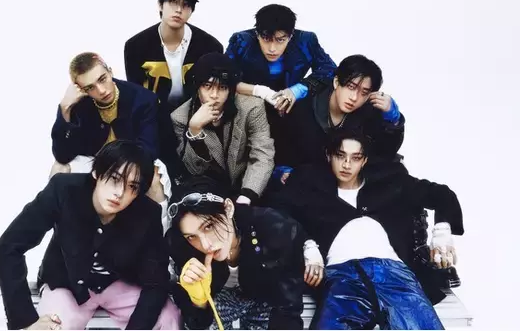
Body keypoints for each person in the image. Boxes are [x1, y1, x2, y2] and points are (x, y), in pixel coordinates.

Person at [267, 130, 464, 330]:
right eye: (340, 156)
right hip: (341, 276)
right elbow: (277, 211)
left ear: (364, 160)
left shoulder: (389, 181)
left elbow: (442, 194)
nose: (346, 165)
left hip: (394, 274)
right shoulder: (309, 185)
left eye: (355, 158)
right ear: (329, 155)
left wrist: (442, 232)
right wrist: (307, 245)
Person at [0, 140, 180, 330]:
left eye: (132, 186)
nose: (119, 193)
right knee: (52, 327)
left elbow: (156, 282)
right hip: (66, 284)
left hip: (118, 283)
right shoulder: (63, 190)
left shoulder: (147, 213)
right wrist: (26, 321)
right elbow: (10, 246)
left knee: (168, 318)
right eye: (114, 179)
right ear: (96, 172)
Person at [166, 176, 307, 330]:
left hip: (264, 296)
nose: (206, 245)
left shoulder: (273, 229)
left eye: (209, 226)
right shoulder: (182, 246)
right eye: (191, 236)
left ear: (228, 208)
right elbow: (196, 323)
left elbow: (288, 309)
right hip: (219, 296)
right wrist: (199, 301)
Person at [124, 0, 224, 180]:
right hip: (154, 116)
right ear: (160, 5)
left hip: (195, 114)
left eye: (186, 5)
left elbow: (215, 90)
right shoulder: (135, 46)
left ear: (192, 10)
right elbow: (136, 96)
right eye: (172, 2)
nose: (178, 9)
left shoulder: (210, 46)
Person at [225, 3, 336, 174]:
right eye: (266, 39)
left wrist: (297, 90)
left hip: (292, 110)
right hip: (252, 108)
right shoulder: (241, 41)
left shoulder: (306, 41)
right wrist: (260, 91)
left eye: (280, 40)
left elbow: (330, 70)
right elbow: (224, 78)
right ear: (257, 34)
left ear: (291, 36)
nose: (272, 48)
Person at [281, 54, 405, 182]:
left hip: (347, 182)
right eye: (351, 87)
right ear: (336, 82)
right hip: (308, 180)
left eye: (364, 93)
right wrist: (283, 171)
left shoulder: (368, 112)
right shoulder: (304, 107)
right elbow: (283, 149)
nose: (354, 98)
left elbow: (386, 153)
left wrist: (393, 120)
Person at [171, 52, 274, 205]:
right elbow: (193, 171)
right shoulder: (180, 117)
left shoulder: (251, 108)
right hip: (208, 192)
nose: (214, 95)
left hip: (247, 188)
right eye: (207, 86)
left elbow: (262, 155)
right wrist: (194, 130)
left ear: (230, 90)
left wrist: (246, 196)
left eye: (222, 87)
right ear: (197, 87)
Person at [50, 52, 158, 177]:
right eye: (90, 88)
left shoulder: (143, 99)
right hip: (96, 162)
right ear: (81, 90)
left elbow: (148, 150)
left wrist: (119, 168)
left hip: (132, 162)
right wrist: (65, 108)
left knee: (154, 176)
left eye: (102, 79)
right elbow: (62, 156)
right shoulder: (78, 104)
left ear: (110, 72)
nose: (101, 91)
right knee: (59, 167)